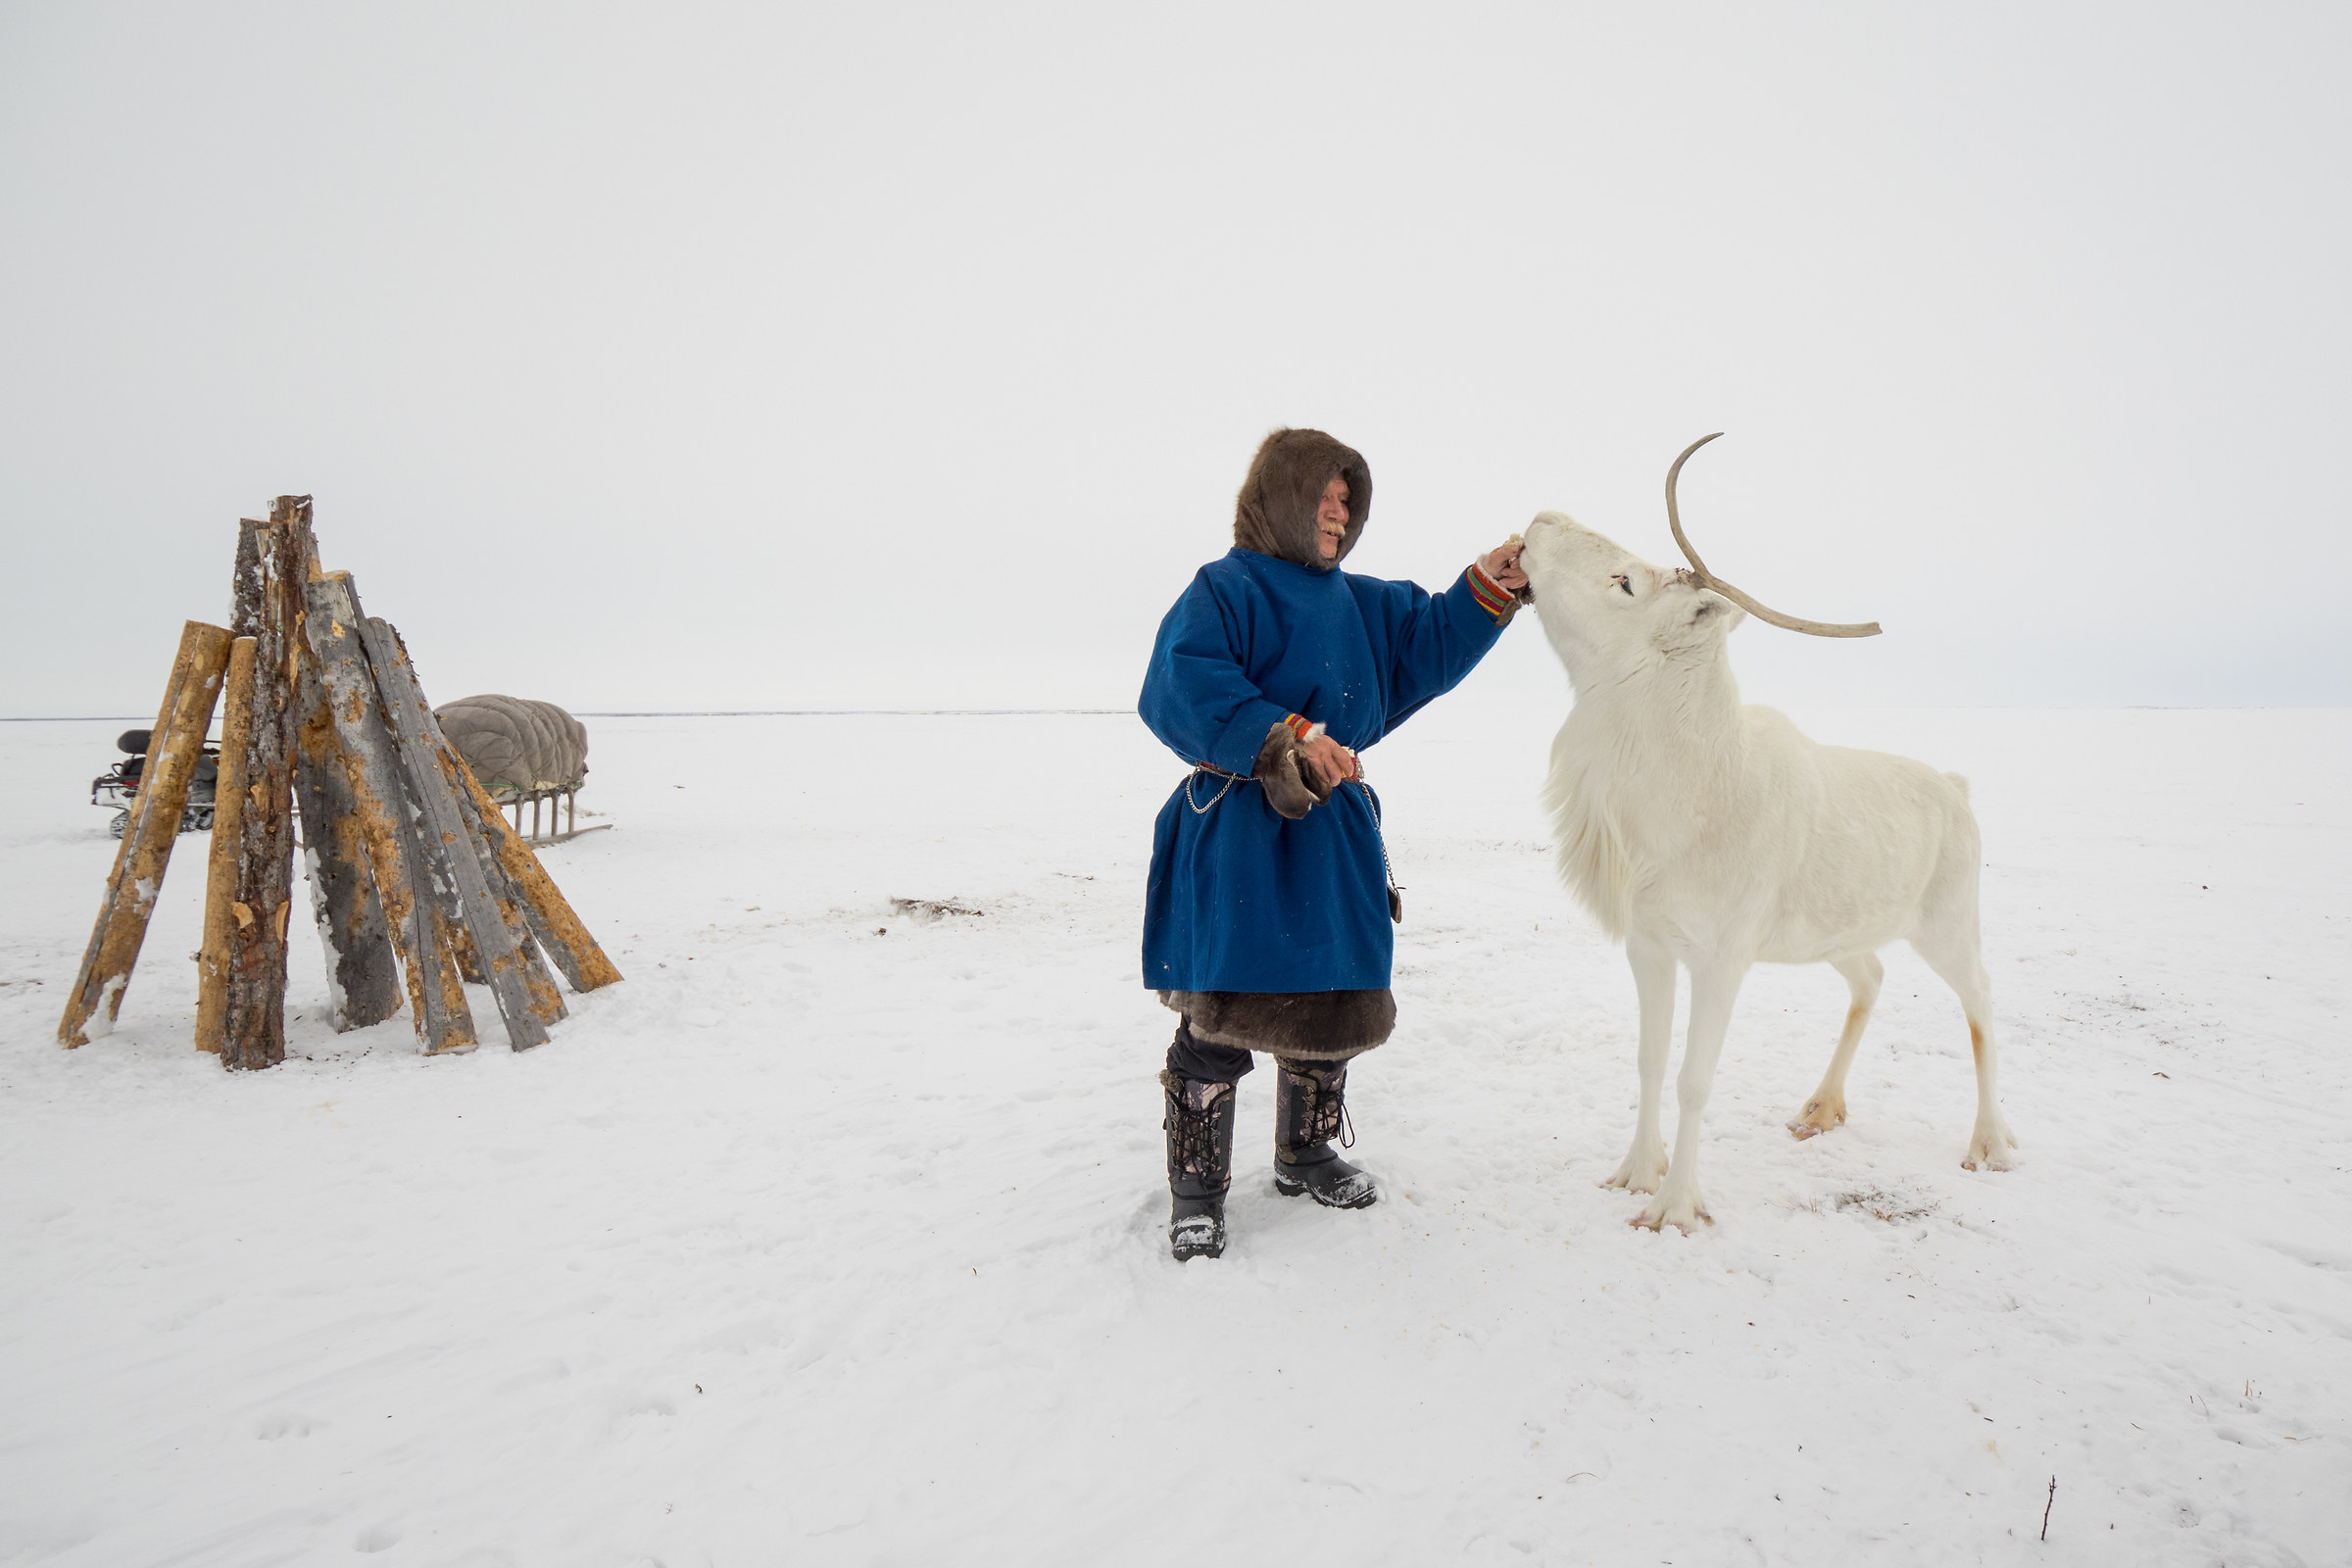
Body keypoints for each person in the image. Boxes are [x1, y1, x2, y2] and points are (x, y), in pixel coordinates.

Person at [1138, 427, 1528, 1260]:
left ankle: (1305, 1151)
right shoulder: (1225, 588)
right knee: (1222, 1017)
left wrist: (1487, 587)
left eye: (1348, 500)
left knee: (1330, 999)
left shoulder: (1361, 602)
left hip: (1335, 829)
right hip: (1240, 827)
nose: (1339, 512)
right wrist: (1284, 734)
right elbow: (1180, 680)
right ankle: (1197, 1191)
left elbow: (1427, 638)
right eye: (1324, 495)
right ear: (1280, 497)